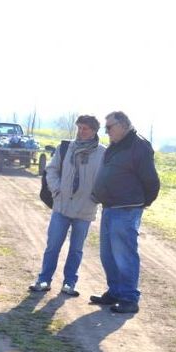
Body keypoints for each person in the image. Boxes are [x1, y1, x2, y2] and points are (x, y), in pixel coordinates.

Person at [90, 111, 160, 314]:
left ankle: (129, 298)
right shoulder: (117, 144)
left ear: (122, 125)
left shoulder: (138, 146)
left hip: (126, 209)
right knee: (108, 254)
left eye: (109, 127)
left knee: (124, 255)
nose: (106, 131)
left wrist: (141, 203)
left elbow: (151, 181)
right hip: (110, 207)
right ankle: (115, 292)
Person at [29, 115, 105, 296]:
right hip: (62, 206)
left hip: (85, 209)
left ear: (94, 131)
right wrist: (56, 190)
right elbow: (51, 170)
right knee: (53, 246)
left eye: (85, 128)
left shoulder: (103, 153)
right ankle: (44, 280)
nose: (80, 131)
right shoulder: (65, 147)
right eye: (79, 128)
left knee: (76, 249)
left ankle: (69, 283)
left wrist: (96, 197)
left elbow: (106, 179)